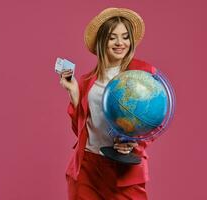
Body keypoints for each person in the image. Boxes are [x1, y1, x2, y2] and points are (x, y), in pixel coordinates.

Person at [60, 7, 157, 199]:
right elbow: (80, 130)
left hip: (125, 171)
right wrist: (74, 94)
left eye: (125, 37)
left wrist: (134, 143)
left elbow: (154, 120)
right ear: (102, 41)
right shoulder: (86, 81)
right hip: (87, 168)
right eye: (113, 37)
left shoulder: (142, 75)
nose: (120, 43)